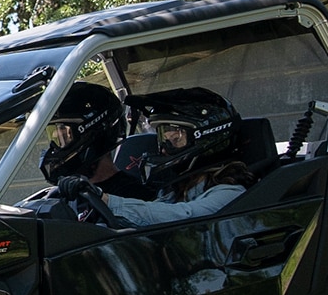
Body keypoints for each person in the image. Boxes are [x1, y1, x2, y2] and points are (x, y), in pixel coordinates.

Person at [48, 87, 258, 226]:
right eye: (161, 136)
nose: (164, 147)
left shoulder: (230, 193)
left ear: (207, 135)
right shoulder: (174, 190)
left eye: (175, 137)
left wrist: (105, 200)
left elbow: (184, 217)